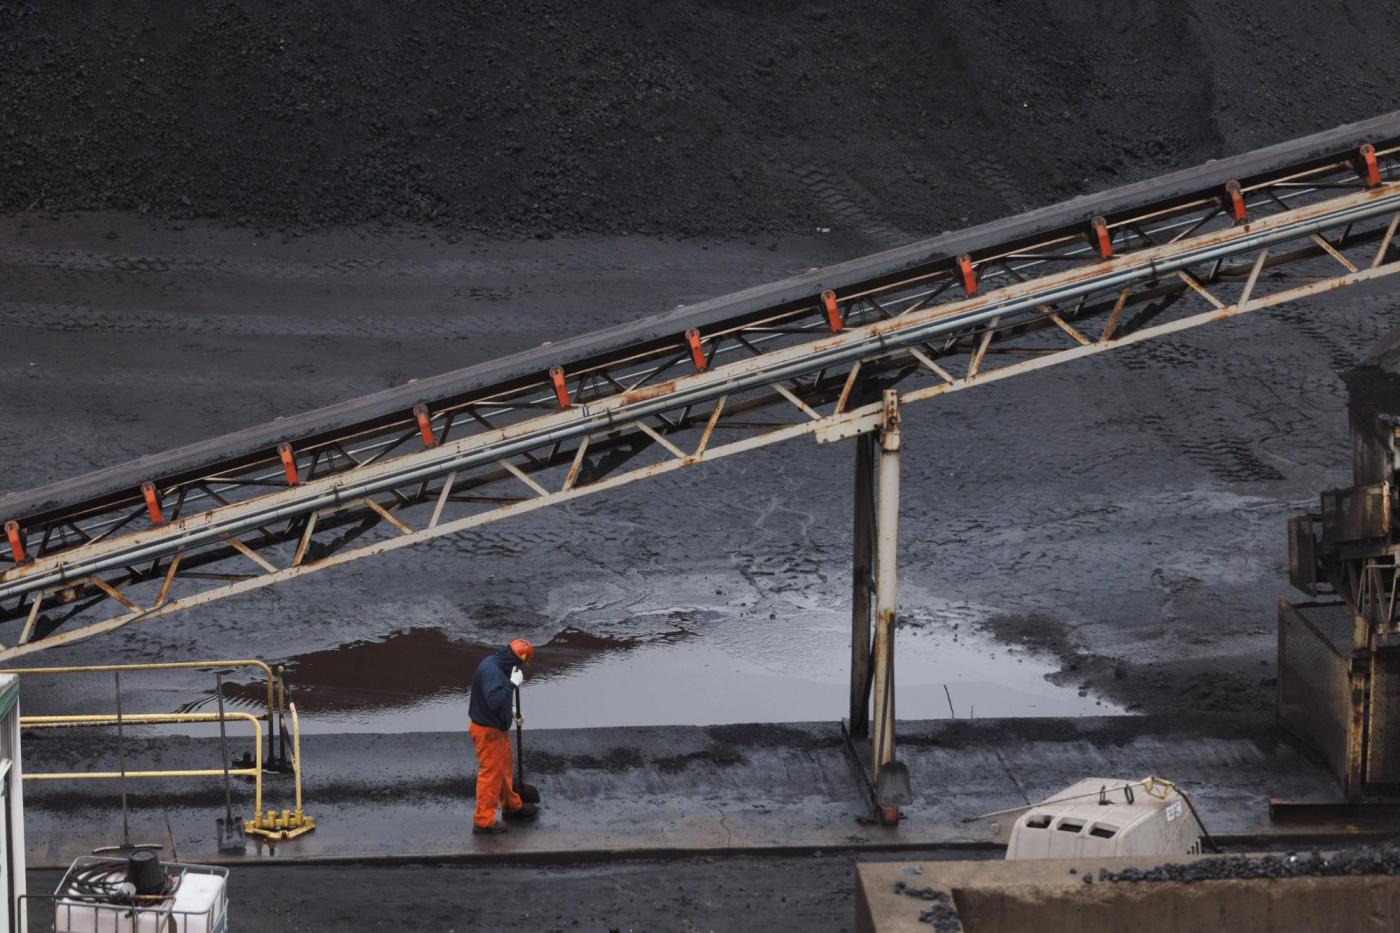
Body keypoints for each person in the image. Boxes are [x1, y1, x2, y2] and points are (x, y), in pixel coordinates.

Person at [468, 638, 538, 834]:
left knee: (504, 768)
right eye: (522, 663)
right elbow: (494, 701)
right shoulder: (495, 673)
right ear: (518, 660)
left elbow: (496, 698)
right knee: (490, 775)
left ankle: (511, 806)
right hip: (487, 731)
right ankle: (483, 821)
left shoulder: (494, 663)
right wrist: (511, 684)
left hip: (496, 728)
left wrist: (511, 710)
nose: (521, 667)